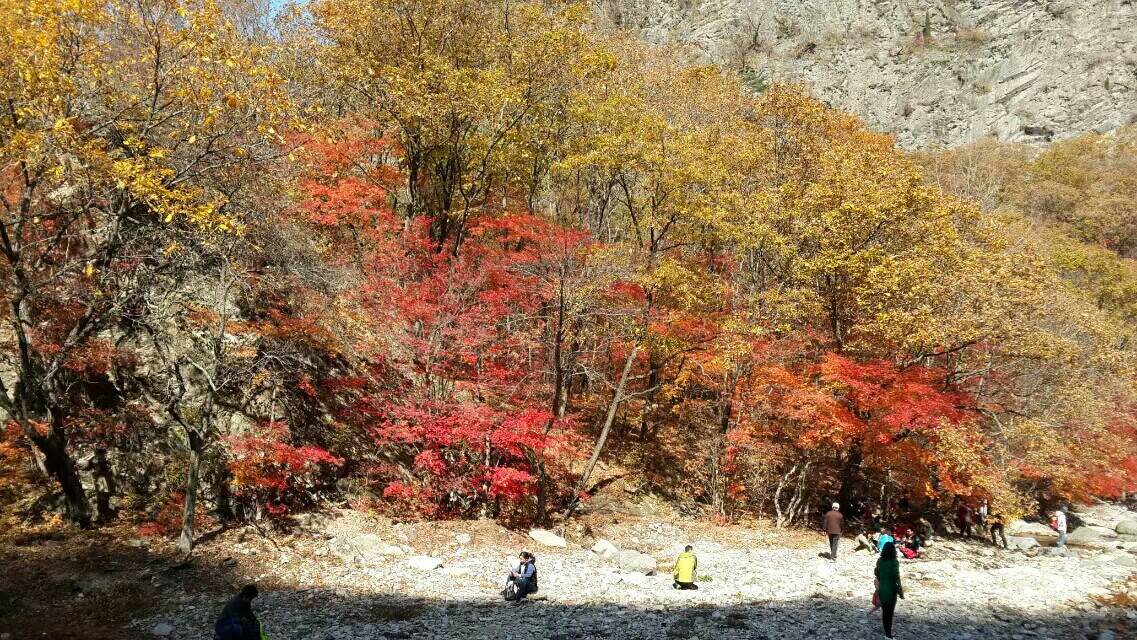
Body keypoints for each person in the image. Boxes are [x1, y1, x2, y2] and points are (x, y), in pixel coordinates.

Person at [875, 542, 904, 640]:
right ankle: (888, 635)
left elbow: (878, 575)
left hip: (882, 589)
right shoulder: (894, 561)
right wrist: (900, 588)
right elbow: (896, 576)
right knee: (890, 613)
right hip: (891, 590)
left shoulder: (879, 560)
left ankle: (887, 632)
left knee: (884, 612)